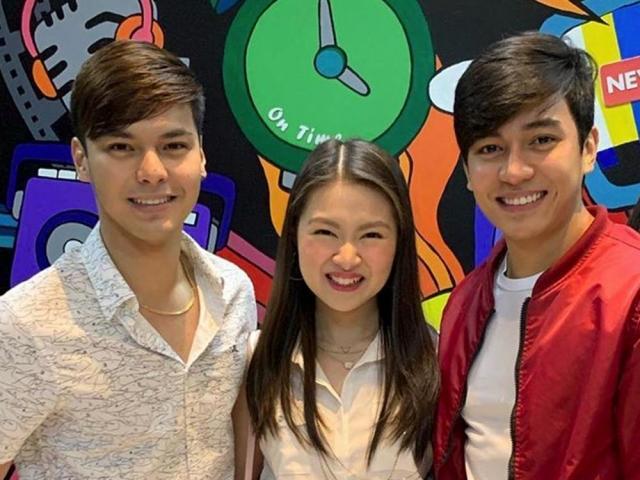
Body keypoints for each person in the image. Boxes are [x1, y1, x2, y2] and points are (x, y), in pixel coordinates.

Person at [0, 40, 256, 479]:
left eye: (173, 145)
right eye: (121, 147)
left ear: (201, 154)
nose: (152, 171)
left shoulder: (233, 292)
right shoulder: (26, 324)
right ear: (81, 159)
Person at [433, 31, 640, 480]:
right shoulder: (464, 303)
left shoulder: (631, 293)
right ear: (467, 170)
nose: (514, 171)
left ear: (588, 148)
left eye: (541, 140)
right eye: (490, 149)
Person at [233, 139, 439, 479]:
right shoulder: (258, 359)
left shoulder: (434, 359)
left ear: (399, 242)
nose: (347, 257)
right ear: (294, 234)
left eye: (371, 235)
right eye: (326, 232)